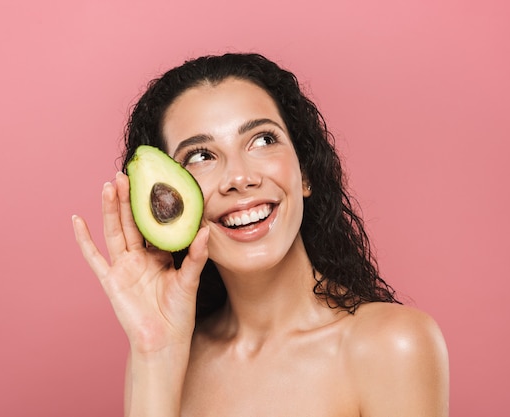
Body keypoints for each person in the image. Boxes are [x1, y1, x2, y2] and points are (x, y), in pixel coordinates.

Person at [72, 53, 449, 417]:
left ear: (304, 173)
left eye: (262, 140)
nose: (239, 178)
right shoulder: (160, 355)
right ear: (166, 204)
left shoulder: (392, 345)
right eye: (200, 156)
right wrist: (154, 353)